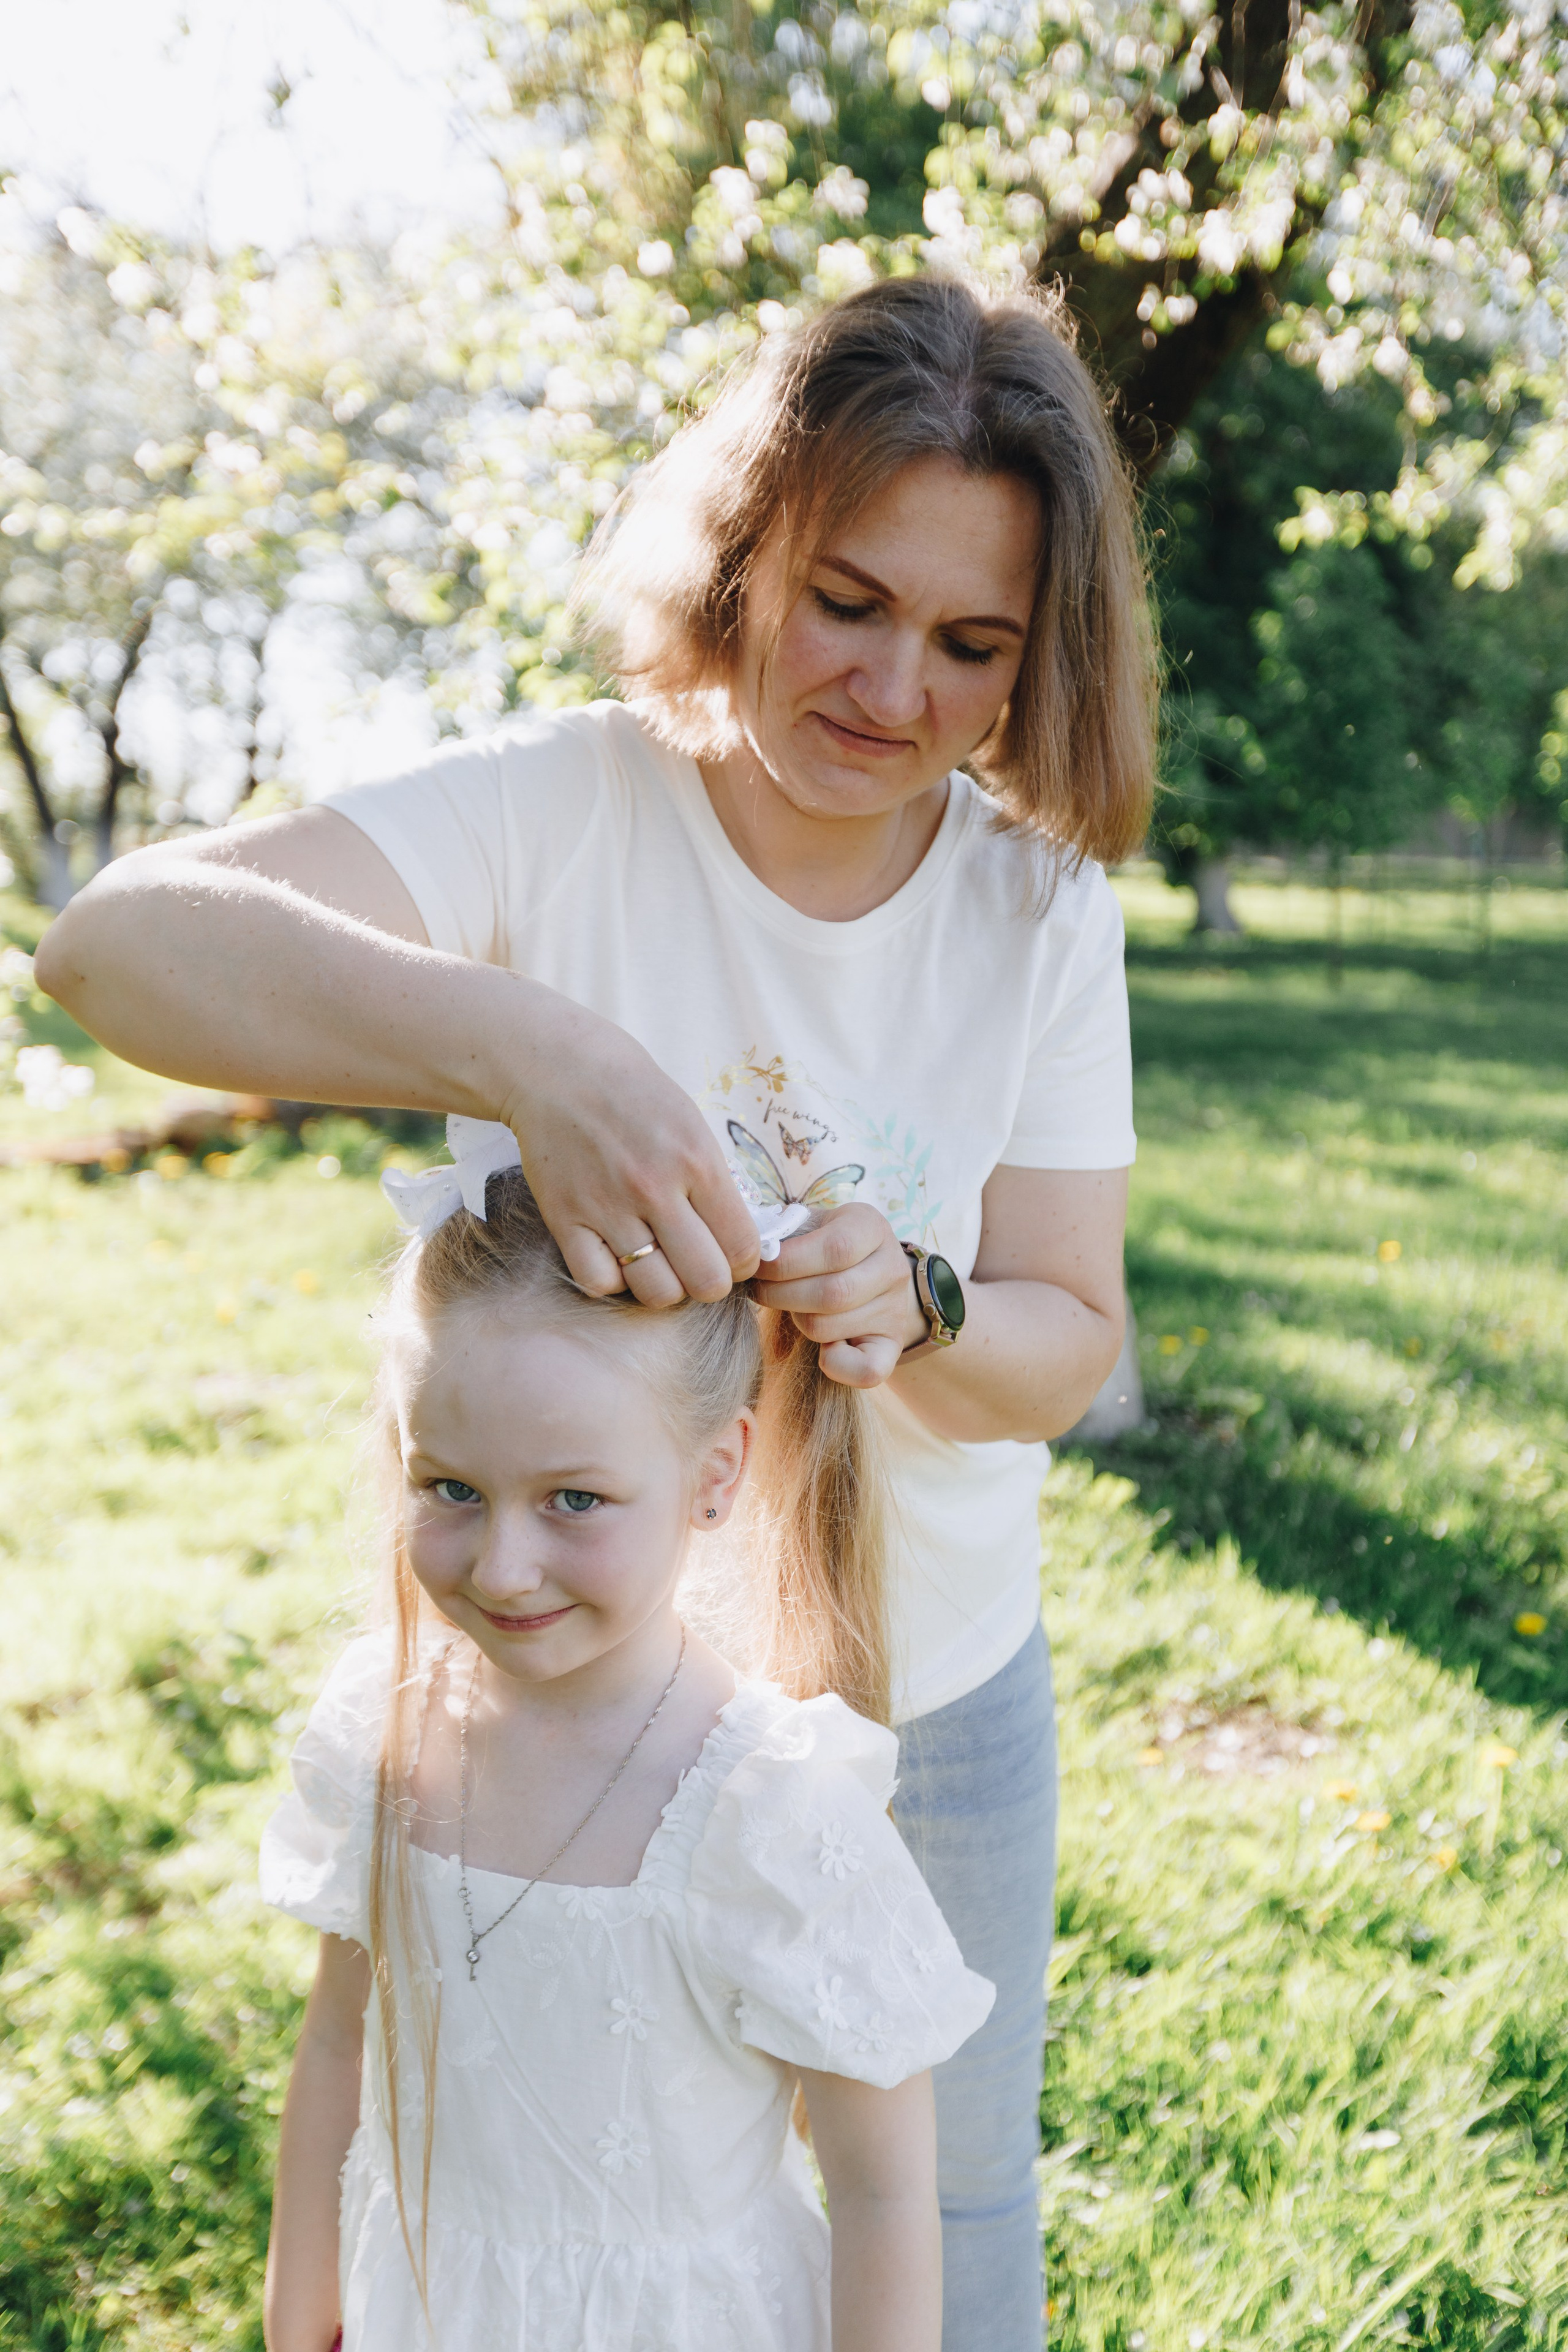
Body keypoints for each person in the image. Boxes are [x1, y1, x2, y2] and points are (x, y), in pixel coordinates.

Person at [39, 271, 1157, 2348]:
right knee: (581, 2210)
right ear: (743, 558)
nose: (893, 686)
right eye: (847, 598)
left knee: (948, 2204)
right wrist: (516, 1053)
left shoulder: (1032, 913)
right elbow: (113, 951)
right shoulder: (567, 805)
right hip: (581, 1705)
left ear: (1034, 660)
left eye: (970, 643)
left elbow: (1067, 1335)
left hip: (936, 1694)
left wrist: (916, 1318)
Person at [261, 1124, 992, 2352]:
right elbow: (340, 2045)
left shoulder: (771, 1809)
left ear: (714, 1478)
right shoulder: (381, 1730)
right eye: (449, 1488)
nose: (503, 1564)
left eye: (575, 1500)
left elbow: (878, 2191)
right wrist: (304, 2308)